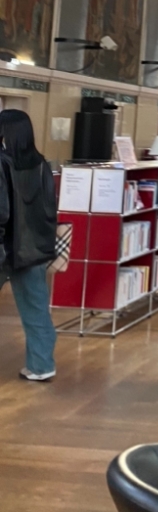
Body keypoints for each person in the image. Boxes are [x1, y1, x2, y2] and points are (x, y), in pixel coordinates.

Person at [0, 110, 57, 381]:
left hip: (6, 246)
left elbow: (1, 212)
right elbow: (49, 207)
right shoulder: (43, 164)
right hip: (33, 248)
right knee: (36, 309)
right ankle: (41, 366)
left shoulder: (2, 163)